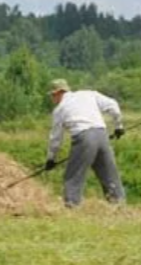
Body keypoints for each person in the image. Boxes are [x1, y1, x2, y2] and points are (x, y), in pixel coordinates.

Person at [45, 78, 126, 208]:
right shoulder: (89, 94)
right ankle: (119, 204)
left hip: (83, 137)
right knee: (109, 173)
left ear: (58, 93)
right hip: (102, 134)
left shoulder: (59, 109)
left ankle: (72, 206)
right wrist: (118, 126)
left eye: (52, 95)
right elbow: (113, 105)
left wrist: (51, 159)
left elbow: (55, 138)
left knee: (73, 175)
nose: (52, 99)